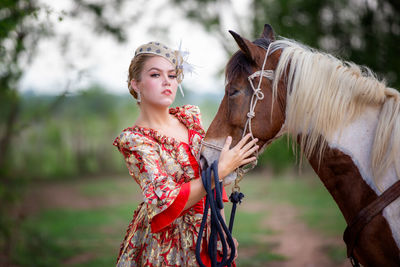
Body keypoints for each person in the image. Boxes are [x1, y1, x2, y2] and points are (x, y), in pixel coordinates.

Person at [113, 41, 259, 266]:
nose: (166, 82)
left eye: (172, 76)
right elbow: (167, 201)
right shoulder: (135, 140)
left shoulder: (189, 119)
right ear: (136, 84)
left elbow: (210, 186)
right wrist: (220, 170)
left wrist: (222, 232)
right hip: (168, 242)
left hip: (207, 231)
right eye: (155, 75)